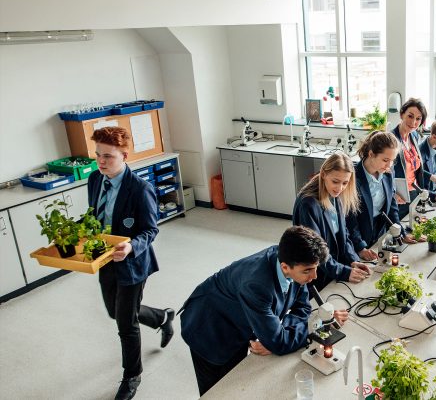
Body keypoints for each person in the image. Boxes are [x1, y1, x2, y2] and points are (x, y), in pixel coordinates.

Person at [180, 226, 331, 396]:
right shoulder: (257, 284)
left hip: (240, 323)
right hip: (209, 328)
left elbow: (302, 307)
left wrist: (281, 335)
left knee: (235, 385)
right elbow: (279, 342)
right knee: (216, 393)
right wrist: (301, 333)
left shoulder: (292, 260)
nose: (315, 276)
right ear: (285, 267)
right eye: (308, 270)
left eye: (315, 268)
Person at [88, 127, 175, 400]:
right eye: (98, 155)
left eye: (108, 156)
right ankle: (162, 317)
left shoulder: (140, 189)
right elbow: (93, 216)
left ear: (124, 155)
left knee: (125, 324)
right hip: (105, 259)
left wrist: (130, 246)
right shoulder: (94, 179)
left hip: (132, 263)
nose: (101, 162)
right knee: (116, 312)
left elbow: (150, 230)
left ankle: (132, 375)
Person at [292, 152, 372, 291]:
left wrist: (352, 260)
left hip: (333, 269)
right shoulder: (308, 204)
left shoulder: (336, 195)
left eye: (345, 183)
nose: (340, 188)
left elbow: (343, 233)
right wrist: (344, 272)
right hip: (318, 275)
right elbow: (315, 250)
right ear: (323, 174)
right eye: (335, 181)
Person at [347, 131, 421, 262]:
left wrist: (400, 232)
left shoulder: (387, 173)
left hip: (380, 234)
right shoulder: (352, 178)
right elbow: (350, 220)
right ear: (371, 154)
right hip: (359, 237)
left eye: (392, 161)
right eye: (385, 160)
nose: (389, 165)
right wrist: (360, 247)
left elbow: (392, 206)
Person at [391, 98, 427, 218]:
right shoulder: (391, 139)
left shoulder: (415, 136)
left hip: (413, 192)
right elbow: (381, 172)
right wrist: (392, 194)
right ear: (402, 114)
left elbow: (417, 169)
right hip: (398, 196)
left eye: (418, 119)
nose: (414, 122)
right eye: (410, 116)